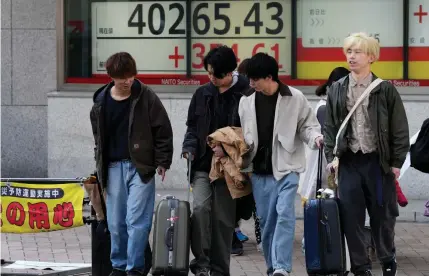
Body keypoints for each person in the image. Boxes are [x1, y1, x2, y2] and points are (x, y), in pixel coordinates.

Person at [324, 32, 410, 276]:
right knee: (351, 216)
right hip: (349, 162)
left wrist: (396, 163)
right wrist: (333, 158)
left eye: (357, 52)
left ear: (371, 57)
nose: (351, 57)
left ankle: (386, 258)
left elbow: (399, 129)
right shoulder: (337, 90)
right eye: (349, 52)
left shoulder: (386, 91)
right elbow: (330, 127)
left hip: (378, 163)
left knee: (383, 216)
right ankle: (361, 267)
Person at [238, 53, 323, 276]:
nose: (251, 83)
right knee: (267, 223)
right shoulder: (246, 101)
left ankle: (281, 268)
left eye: (255, 79)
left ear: (269, 77)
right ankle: (271, 266)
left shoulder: (294, 97)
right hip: (259, 172)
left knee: (285, 215)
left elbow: (307, 125)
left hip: (287, 167)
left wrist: (315, 138)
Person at [90, 52, 173, 276]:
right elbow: (98, 138)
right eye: (122, 77)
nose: (128, 81)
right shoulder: (101, 101)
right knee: (116, 222)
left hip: (141, 167)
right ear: (111, 76)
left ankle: (134, 269)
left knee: (137, 220)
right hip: (113, 167)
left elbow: (163, 130)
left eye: (131, 76)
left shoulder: (146, 96)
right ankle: (118, 266)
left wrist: (163, 160)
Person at [182, 45, 251, 276]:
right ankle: (201, 263)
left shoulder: (246, 94)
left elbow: (249, 135)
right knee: (200, 209)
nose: (212, 78)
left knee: (223, 220)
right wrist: (188, 148)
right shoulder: (202, 93)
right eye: (209, 73)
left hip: (229, 169)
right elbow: (192, 127)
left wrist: (227, 148)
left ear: (231, 71)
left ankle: (220, 270)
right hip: (202, 164)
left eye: (217, 74)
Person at [299, 66, 350, 254]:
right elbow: (332, 135)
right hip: (323, 164)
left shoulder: (331, 104)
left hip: (330, 163)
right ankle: (312, 242)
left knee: (327, 202)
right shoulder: (324, 106)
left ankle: (324, 242)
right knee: (321, 202)